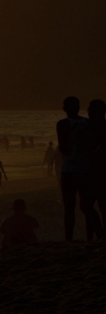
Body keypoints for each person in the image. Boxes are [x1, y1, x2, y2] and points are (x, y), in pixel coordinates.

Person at [56, 96, 102, 241]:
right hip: (86, 169)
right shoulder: (87, 123)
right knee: (87, 206)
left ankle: (69, 239)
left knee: (69, 208)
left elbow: (64, 149)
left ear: (64, 109)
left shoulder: (62, 124)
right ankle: (93, 236)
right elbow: (95, 144)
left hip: (70, 170)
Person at [89, 99, 106, 233]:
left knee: (89, 205)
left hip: (97, 170)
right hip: (95, 169)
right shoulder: (90, 125)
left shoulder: (96, 126)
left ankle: (100, 233)